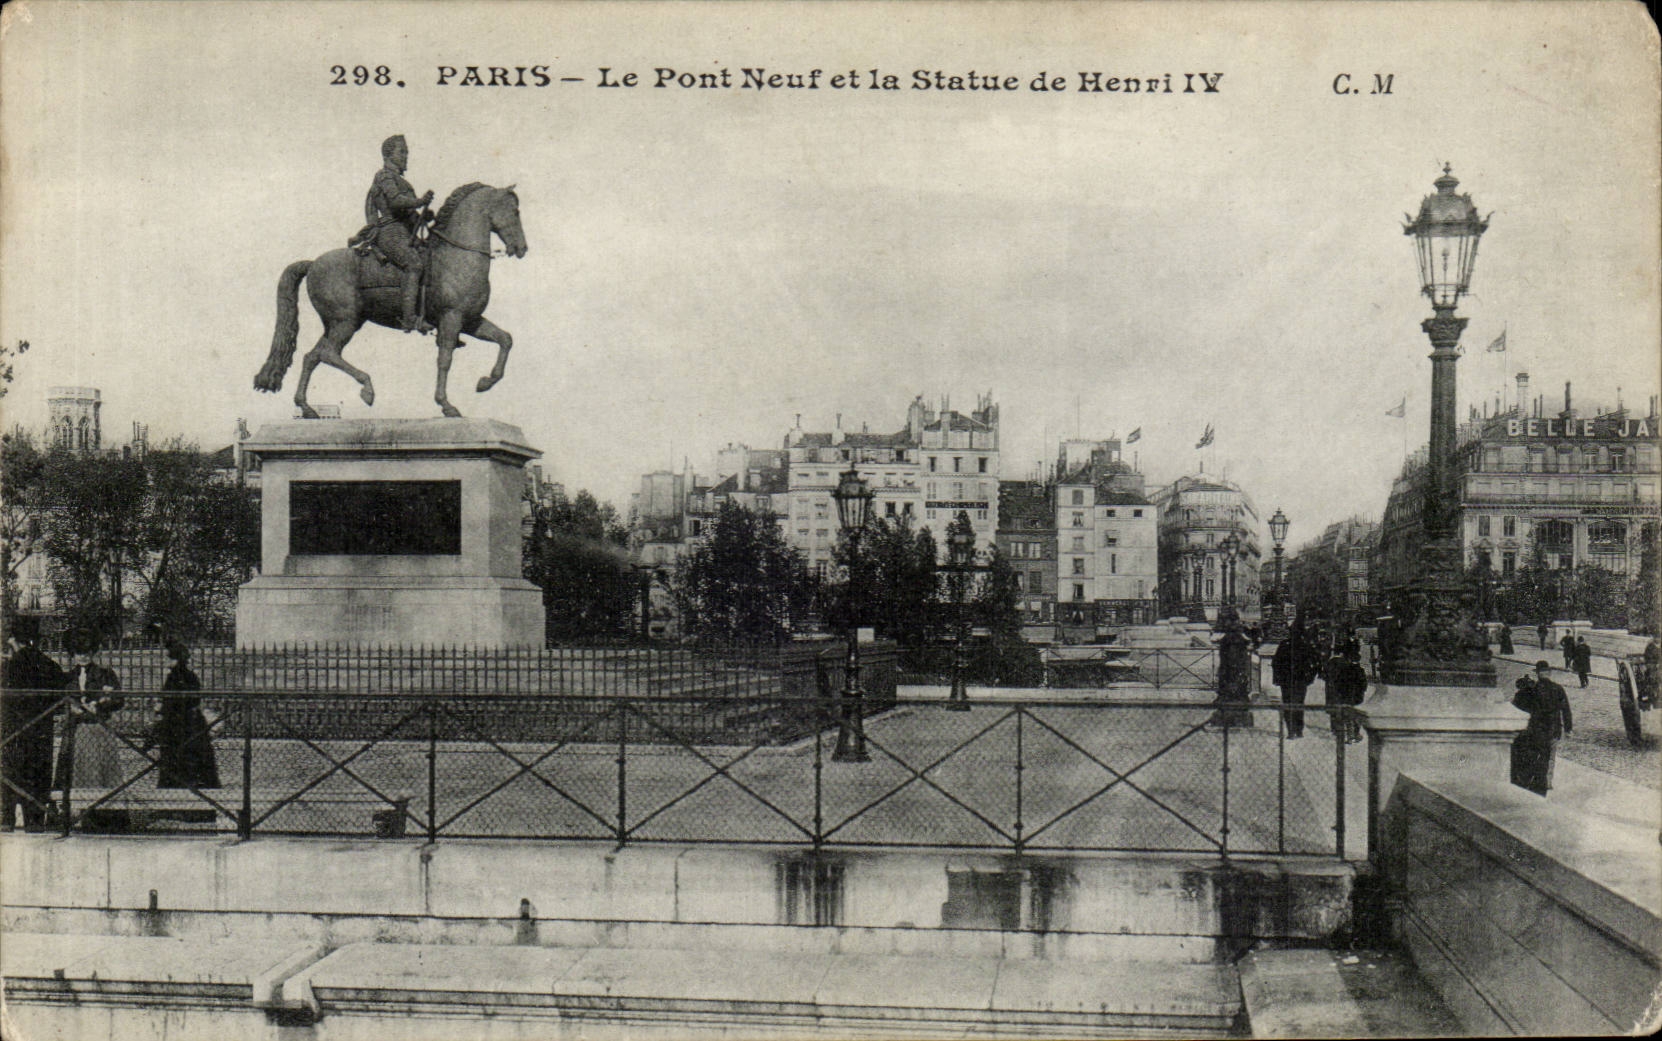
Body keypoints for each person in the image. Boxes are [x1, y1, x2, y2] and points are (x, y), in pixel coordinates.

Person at [352, 134, 435, 333]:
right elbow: (396, 201)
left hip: (405, 231)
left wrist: (424, 216)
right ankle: (409, 319)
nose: (406, 156)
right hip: (389, 231)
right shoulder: (384, 176)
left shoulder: (404, 182)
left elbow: (410, 216)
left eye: (406, 152)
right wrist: (419, 202)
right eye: (402, 152)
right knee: (413, 264)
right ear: (388, 155)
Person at [2, 617, 64, 830]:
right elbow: (61, 703)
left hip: (10, 734)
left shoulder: (6, 669)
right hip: (40, 734)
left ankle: (6, 819)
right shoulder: (50, 666)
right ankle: (36, 821)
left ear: (14, 641)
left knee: (9, 776)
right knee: (37, 777)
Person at [52, 630, 125, 793]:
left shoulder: (106, 674)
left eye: (87, 652)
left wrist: (99, 706)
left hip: (98, 729)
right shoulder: (68, 677)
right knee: (73, 770)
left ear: (93, 653)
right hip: (74, 730)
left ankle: (102, 814)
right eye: (79, 653)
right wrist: (70, 707)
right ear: (73, 655)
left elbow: (119, 700)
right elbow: (58, 702)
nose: (83, 657)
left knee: (100, 772)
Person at [151, 641, 219, 790]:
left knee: (175, 764)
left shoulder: (174, 677)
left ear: (175, 659)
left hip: (177, 728)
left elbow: (172, 702)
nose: (164, 661)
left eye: (167, 658)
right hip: (193, 726)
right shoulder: (190, 675)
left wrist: (161, 709)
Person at [1510, 661, 1572, 796]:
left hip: (1537, 729)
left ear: (1537, 674)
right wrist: (1568, 729)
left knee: (1538, 756)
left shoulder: (1533, 690)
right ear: (1549, 673)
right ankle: (1548, 781)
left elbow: (1524, 707)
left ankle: (1537, 781)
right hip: (1554, 729)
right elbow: (1566, 709)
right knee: (1551, 756)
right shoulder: (1558, 688)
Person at [1271, 616, 1320, 739]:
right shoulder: (1305, 645)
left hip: (1288, 681)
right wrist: (1310, 677)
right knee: (1298, 704)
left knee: (1289, 705)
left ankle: (1292, 730)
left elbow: (1275, 663)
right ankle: (1298, 730)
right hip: (1299, 681)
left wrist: (1278, 678)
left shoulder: (1285, 644)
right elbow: (1315, 662)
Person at [1325, 639, 1369, 744]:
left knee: (1347, 715)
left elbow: (1339, 683)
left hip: (1345, 696)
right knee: (1356, 715)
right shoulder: (1360, 670)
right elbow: (1364, 684)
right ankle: (1355, 734)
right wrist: (1361, 691)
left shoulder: (1343, 670)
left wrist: (1340, 692)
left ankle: (1348, 734)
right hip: (1357, 697)